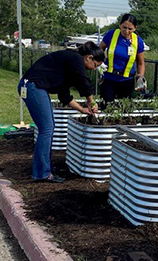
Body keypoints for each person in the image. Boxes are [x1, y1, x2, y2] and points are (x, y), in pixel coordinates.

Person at [17, 41, 105, 183]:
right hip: (33, 87)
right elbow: (83, 82)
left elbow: (64, 96)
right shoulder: (75, 58)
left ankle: (47, 168)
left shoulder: (69, 64)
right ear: (89, 57)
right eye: (95, 65)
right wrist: (91, 102)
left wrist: (82, 109)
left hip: (32, 86)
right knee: (46, 129)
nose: (94, 69)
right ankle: (42, 173)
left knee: (48, 128)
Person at [99, 13, 146, 105]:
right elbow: (99, 50)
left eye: (130, 29)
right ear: (119, 25)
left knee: (125, 109)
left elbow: (140, 63)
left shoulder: (138, 41)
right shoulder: (111, 35)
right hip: (109, 78)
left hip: (127, 81)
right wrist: (99, 64)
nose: (126, 31)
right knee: (107, 106)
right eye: (124, 27)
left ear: (135, 28)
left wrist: (140, 76)